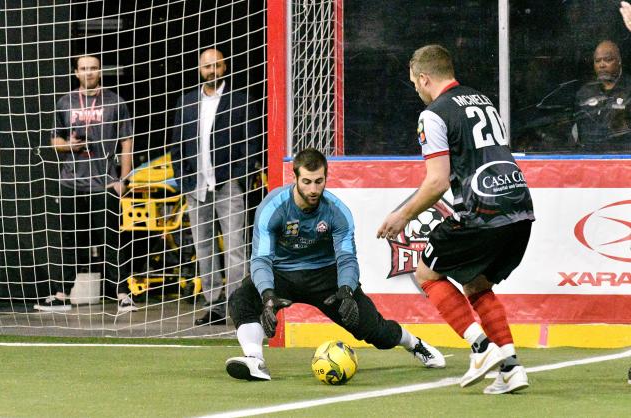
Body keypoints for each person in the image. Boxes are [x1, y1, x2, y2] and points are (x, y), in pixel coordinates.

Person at [377, 45, 535, 394]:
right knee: (477, 284)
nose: (416, 91)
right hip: (521, 207)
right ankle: (510, 368)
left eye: (414, 83)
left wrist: (401, 216)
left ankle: (481, 348)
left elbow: (437, 181)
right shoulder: (482, 100)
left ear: (424, 78)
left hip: (484, 209)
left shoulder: (433, 114)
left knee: (426, 273)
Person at [224, 148, 445, 381]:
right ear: (295, 178)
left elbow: (346, 258)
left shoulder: (337, 212)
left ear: (326, 178)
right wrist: (268, 295)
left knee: (374, 331)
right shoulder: (272, 208)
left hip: (326, 278)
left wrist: (347, 291)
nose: (313, 189)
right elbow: (261, 259)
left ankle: (414, 344)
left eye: (319, 181)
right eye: (307, 182)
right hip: (282, 275)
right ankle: (255, 361)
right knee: (241, 299)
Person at [36, 54, 136, 313]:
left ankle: (123, 294)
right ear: (76, 72)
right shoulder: (65, 102)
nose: (89, 72)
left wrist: (123, 179)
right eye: (83, 68)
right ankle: (61, 295)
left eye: (93, 68)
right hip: (71, 181)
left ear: (100, 72)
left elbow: (127, 142)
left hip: (104, 182)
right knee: (69, 240)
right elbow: (54, 141)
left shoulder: (115, 101)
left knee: (111, 239)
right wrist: (70, 145)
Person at [171, 47, 261, 326]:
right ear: (200, 69)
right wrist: (183, 179)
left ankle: (238, 306)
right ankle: (213, 305)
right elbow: (176, 145)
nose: (211, 70)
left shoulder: (240, 102)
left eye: (216, 65)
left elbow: (252, 144)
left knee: (235, 247)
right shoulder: (186, 102)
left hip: (227, 185)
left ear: (225, 68)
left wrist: (238, 176)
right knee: (204, 248)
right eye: (207, 66)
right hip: (195, 187)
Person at [573, 38, 631, 152]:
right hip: (590, 159)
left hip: (623, 159)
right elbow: (578, 131)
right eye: (597, 61)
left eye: (608, 60)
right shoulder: (584, 93)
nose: (602, 65)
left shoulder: (629, 89)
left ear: (619, 61)